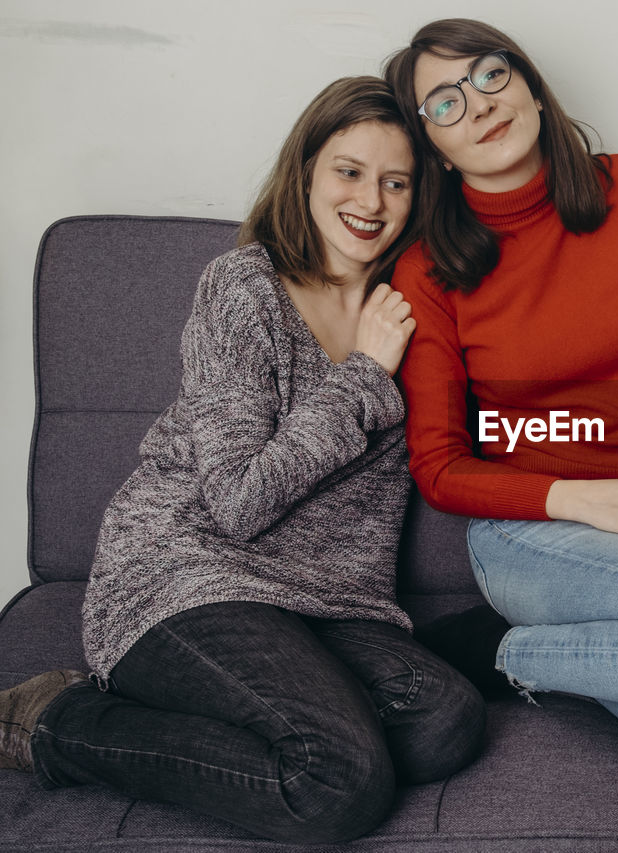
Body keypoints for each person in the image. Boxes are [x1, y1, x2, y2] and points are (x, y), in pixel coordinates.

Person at [0, 77, 485, 842]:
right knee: (340, 783)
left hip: (325, 603)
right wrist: (361, 377)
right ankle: (58, 721)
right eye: (349, 171)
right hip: (188, 572)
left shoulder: (411, 310)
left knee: (445, 720)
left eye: (397, 181)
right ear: (306, 172)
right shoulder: (245, 287)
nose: (373, 200)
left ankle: (237, 708)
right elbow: (237, 499)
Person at [382, 19, 618, 777]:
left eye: (491, 75)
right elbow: (437, 465)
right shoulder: (429, 267)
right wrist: (582, 499)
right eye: (445, 103)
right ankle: (499, 643)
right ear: (431, 143)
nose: (479, 105)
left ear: (528, 82)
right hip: (527, 531)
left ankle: (515, 655)